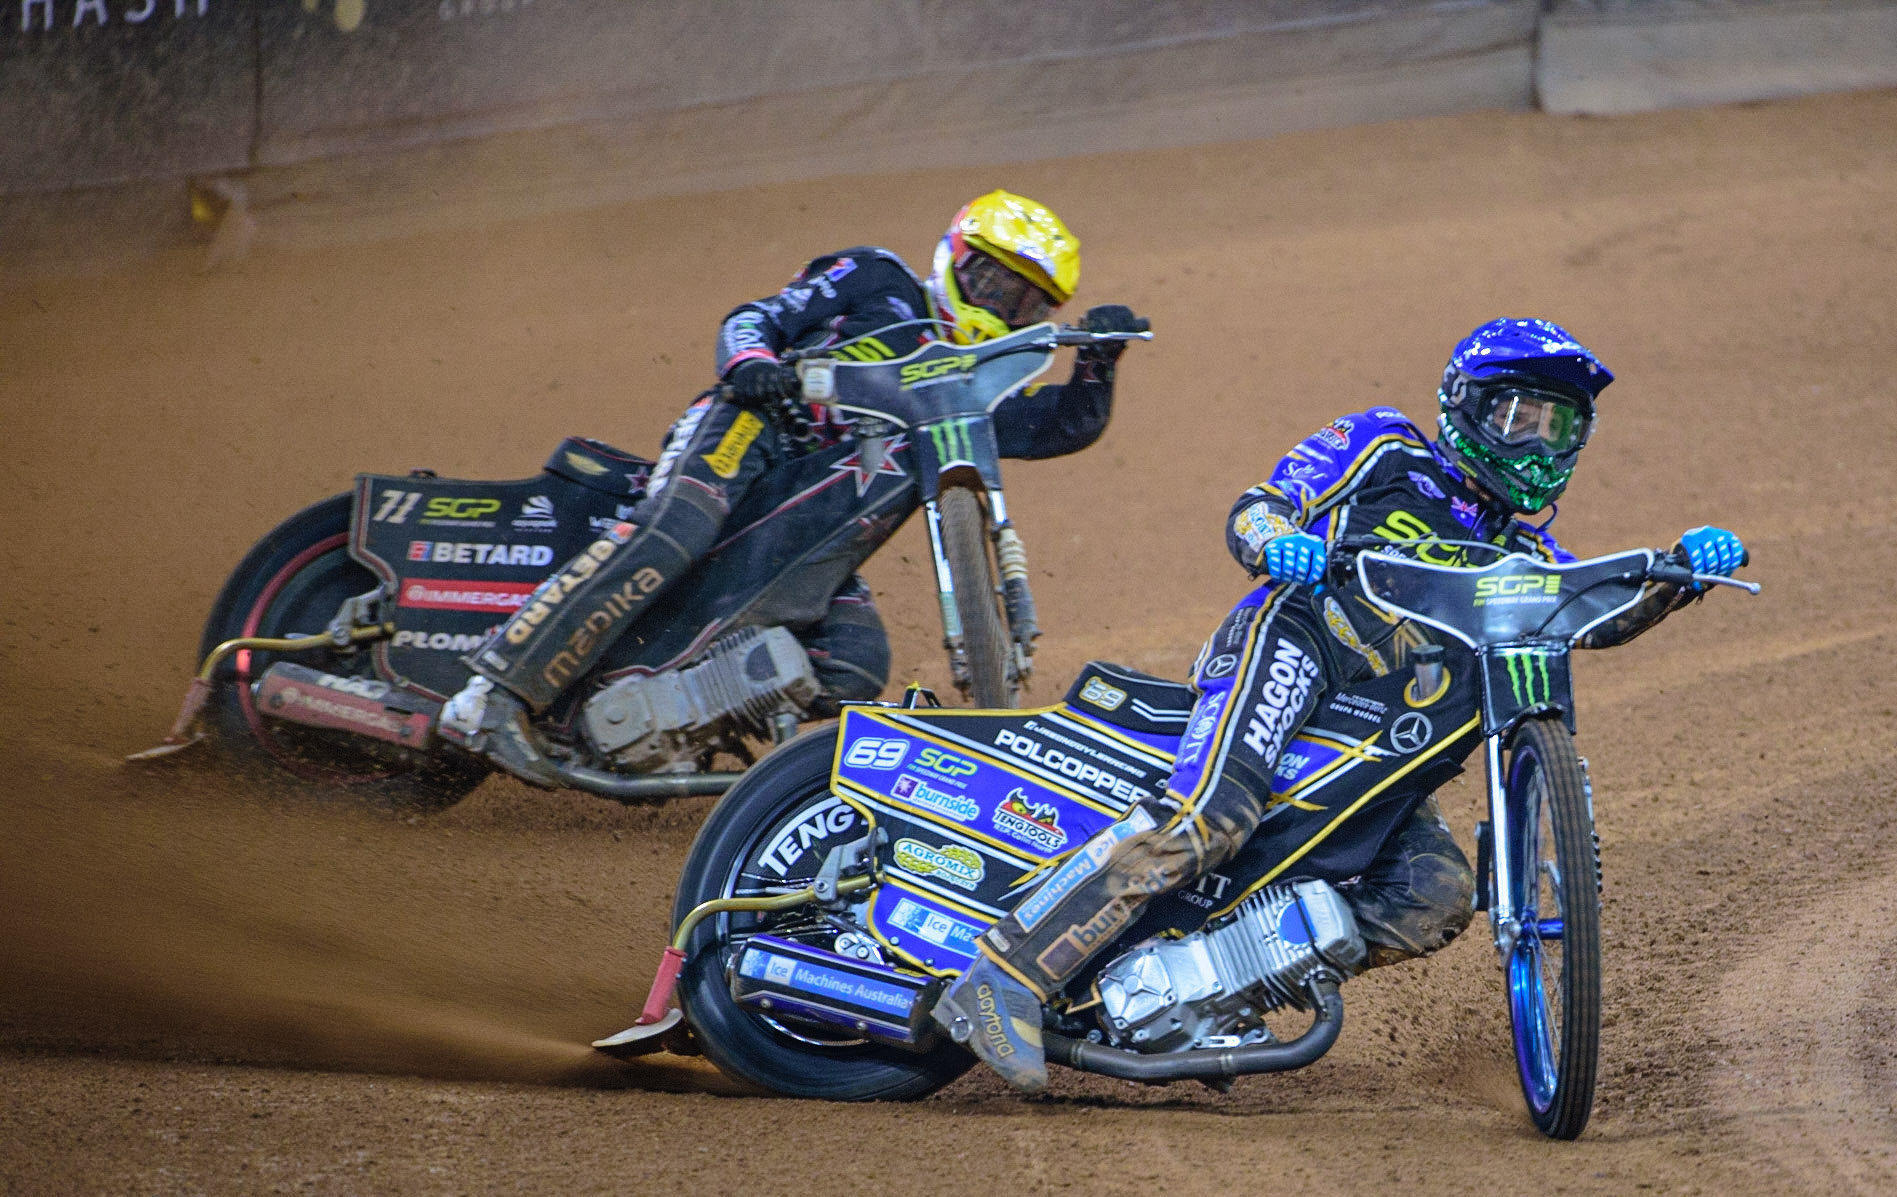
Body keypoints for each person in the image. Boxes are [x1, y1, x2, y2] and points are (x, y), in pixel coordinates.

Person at [933, 317, 1748, 1091]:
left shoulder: (1521, 554)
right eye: (1520, 414)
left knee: (1432, 892)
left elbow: (1588, 615)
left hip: (1378, 735)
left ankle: (1207, 986)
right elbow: (1261, 502)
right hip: (1296, 640)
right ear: (1467, 404)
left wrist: (1676, 577)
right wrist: (1275, 541)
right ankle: (1000, 976)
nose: (1539, 441)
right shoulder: (1387, 445)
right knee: (1210, 815)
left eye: (1559, 425)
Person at [438, 190, 1149, 784]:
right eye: (993, 280)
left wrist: (1100, 361)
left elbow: (1055, 427)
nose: (1002, 303)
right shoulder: (877, 278)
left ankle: (661, 733)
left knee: (853, 661)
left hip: (812, 521)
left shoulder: (961, 397)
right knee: (677, 527)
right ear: (954, 259)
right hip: (753, 431)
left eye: (1024, 300)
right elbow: (755, 318)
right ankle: (492, 691)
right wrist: (750, 362)